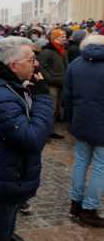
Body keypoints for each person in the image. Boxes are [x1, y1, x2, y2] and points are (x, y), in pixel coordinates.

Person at [0, 37, 53, 241]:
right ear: (13, 65)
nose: (36, 64)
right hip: (2, 181)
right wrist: (42, 97)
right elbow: (31, 138)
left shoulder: (3, 84)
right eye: (31, 60)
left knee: (1, 224)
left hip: (7, 176)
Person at [64, 34, 104, 227]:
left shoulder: (75, 64)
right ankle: (89, 208)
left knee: (80, 162)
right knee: (100, 167)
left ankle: (75, 203)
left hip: (81, 121)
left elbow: (68, 96)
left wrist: (71, 120)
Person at [37, 28, 68, 139]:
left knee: (56, 110)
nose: (65, 38)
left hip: (60, 83)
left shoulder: (62, 50)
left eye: (65, 36)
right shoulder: (47, 51)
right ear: (55, 38)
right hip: (51, 85)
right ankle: (45, 132)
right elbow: (40, 67)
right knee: (51, 109)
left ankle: (50, 131)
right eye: (62, 36)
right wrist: (50, 79)